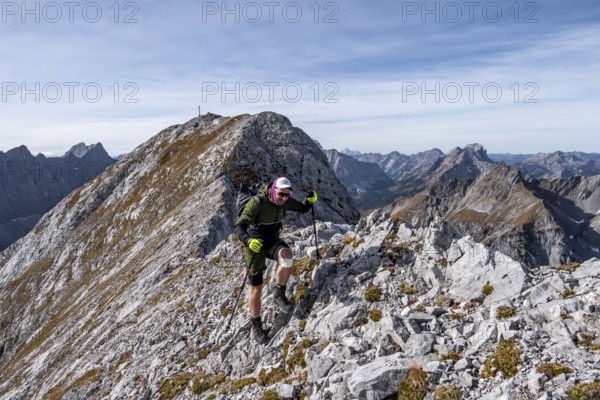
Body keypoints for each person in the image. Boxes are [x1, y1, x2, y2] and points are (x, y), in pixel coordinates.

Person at [234, 177, 318, 343]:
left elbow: (301, 208)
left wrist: (309, 201)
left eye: (288, 195)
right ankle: (256, 325)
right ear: (273, 190)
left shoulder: (284, 201)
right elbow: (239, 226)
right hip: (255, 245)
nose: (284, 198)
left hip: (272, 240)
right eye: (281, 194)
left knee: (287, 256)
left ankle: (278, 293)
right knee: (256, 288)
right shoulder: (257, 202)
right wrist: (248, 241)